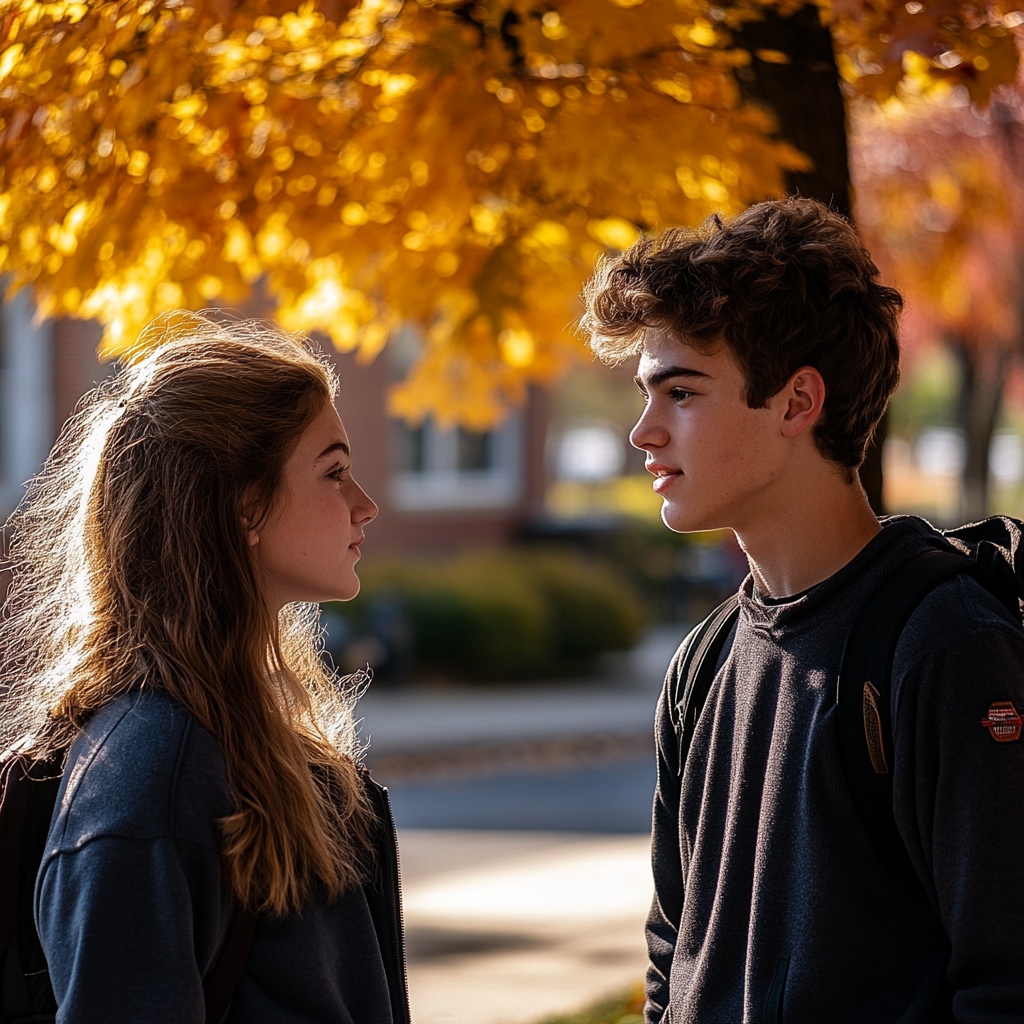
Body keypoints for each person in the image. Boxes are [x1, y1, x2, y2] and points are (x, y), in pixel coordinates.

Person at [581, 198, 1024, 1022]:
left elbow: (1006, 982)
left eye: (680, 392)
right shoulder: (702, 664)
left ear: (796, 402)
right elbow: (671, 951)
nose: (643, 431)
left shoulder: (945, 644)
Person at [0, 312, 408, 1023]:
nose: (364, 505)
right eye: (334, 472)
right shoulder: (151, 773)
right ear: (245, 506)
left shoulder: (237, 736)